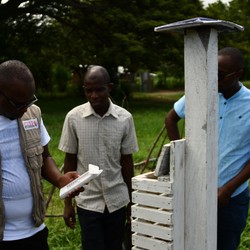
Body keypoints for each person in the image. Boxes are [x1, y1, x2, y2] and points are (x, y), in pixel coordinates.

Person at [165, 47, 250, 250]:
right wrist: (181, 157)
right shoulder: (200, 93)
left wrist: (228, 189)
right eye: (211, 72)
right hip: (195, 190)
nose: (214, 79)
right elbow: (170, 119)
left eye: (220, 75)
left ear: (238, 74)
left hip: (231, 197)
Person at [0, 60, 80, 250]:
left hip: (34, 231)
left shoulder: (32, 114)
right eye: (18, 103)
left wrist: (60, 180)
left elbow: (44, 157)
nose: (24, 109)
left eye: (29, 101)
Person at [59, 65, 138, 250]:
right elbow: (69, 161)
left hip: (117, 200)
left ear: (109, 87)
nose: (94, 95)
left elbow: (127, 162)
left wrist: (131, 202)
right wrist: (67, 204)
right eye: (89, 90)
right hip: (88, 202)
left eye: (100, 90)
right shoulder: (73, 118)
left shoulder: (124, 119)